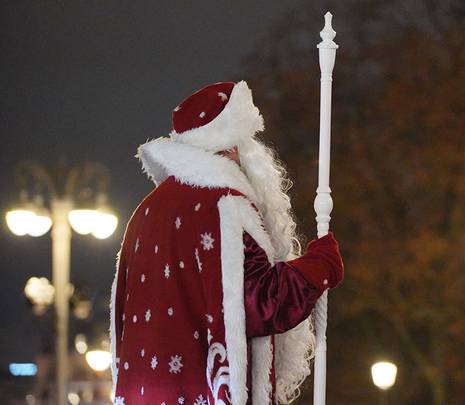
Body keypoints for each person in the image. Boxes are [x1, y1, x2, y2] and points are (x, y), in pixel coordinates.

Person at [110, 81, 344, 405]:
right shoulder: (222, 205)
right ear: (235, 146)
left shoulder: (145, 212)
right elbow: (260, 302)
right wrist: (321, 264)